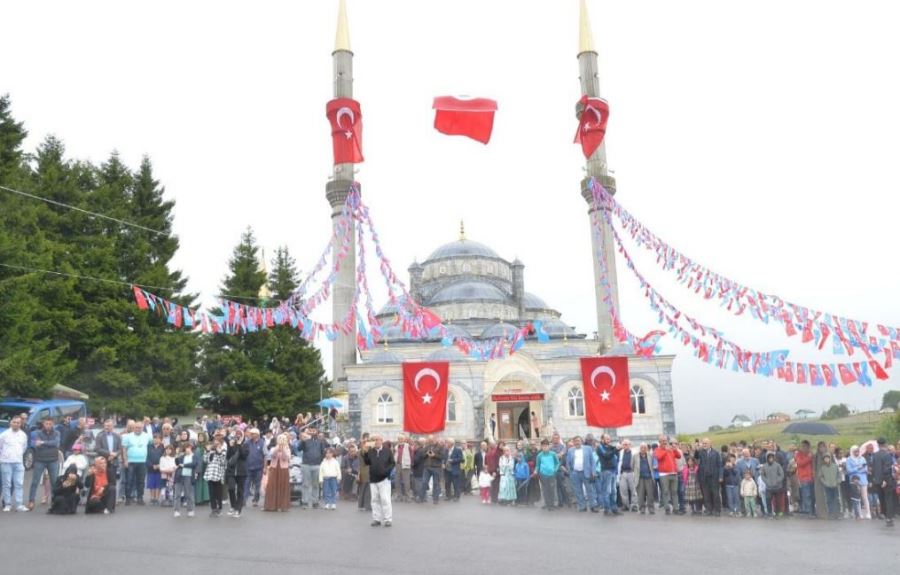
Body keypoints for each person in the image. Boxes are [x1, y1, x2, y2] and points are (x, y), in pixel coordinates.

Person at [28, 418, 61, 511]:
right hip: (40, 459)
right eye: (46, 423)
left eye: (50, 423)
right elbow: (35, 444)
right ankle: (31, 500)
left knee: (54, 482)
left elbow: (56, 443)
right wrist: (42, 443)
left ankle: (54, 500)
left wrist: (43, 442)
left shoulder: (57, 433)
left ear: (53, 424)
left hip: (53, 459)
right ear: (43, 424)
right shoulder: (38, 433)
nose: (48, 425)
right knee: (35, 481)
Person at [363, 434, 395, 526]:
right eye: (374, 440)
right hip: (373, 479)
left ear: (381, 440)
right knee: (374, 500)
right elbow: (367, 462)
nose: (376, 441)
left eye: (377, 439)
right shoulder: (370, 451)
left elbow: (392, 463)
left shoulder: (387, 451)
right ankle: (376, 519)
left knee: (385, 499)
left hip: (384, 479)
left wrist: (386, 472)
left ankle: (388, 519)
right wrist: (365, 453)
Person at [0, 415, 29, 512]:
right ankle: (7, 504)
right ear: (10, 423)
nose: (16, 424)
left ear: (20, 424)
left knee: (19, 484)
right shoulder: (4, 435)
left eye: (18, 422)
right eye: (14, 422)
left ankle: (19, 505)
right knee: (6, 484)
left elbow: (24, 448)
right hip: (6, 462)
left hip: (18, 462)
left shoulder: (23, 435)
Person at [121, 423, 152, 506]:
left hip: (142, 461)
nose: (138, 429)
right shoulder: (127, 436)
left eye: (140, 427)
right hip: (131, 461)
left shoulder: (147, 436)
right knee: (129, 481)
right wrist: (125, 460)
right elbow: (124, 449)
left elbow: (152, 444)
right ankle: (128, 498)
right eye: (136, 427)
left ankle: (140, 498)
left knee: (141, 481)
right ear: (133, 428)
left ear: (143, 428)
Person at [297, 427, 326, 509]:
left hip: (317, 465)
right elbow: (299, 449)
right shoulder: (305, 441)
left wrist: (320, 462)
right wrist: (302, 441)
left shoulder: (321, 442)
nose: (312, 432)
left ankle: (315, 502)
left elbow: (323, 453)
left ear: (317, 432)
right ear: (309, 432)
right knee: (305, 484)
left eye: (314, 430)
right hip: (306, 465)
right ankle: (305, 502)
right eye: (311, 431)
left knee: (316, 485)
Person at [566, 436, 597, 512]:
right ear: (573, 442)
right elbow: (568, 462)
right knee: (578, 490)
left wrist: (593, 472)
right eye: (575, 441)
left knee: (590, 489)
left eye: (578, 440)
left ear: (581, 441)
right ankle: (582, 506)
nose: (577, 442)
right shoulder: (570, 450)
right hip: (575, 473)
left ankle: (593, 506)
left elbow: (592, 461)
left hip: (586, 472)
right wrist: (571, 472)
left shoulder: (588, 449)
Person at [653, 435, 681, 515]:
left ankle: (676, 509)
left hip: (674, 473)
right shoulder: (657, 450)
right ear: (659, 442)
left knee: (674, 492)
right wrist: (665, 450)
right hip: (664, 474)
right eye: (663, 441)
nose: (665, 442)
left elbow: (679, 456)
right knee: (665, 492)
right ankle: (667, 508)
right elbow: (658, 457)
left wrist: (675, 449)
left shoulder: (671, 449)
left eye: (666, 440)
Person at [871, 437, 896, 527]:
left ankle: (885, 516)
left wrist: (874, 479)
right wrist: (885, 480)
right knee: (888, 499)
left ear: (878, 444)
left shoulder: (874, 455)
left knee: (882, 500)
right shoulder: (887, 455)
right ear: (885, 444)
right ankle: (889, 518)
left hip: (877, 481)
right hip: (886, 480)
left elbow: (873, 468)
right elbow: (887, 468)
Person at [264, 433, 291, 512]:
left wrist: (283, 450)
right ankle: (271, 505)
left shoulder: (287, 449)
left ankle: (281, 505)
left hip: (283, 469)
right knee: (272, 485)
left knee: (282, 486)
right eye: (279, 439)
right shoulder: (273, 448)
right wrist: (277, 449)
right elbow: (272, 456)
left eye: (282, 440)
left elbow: (286, 458)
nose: (281, 441)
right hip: (274, 468)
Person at [696, 438, 723, 516]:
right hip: (704, 477)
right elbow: (696, 457)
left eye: (706, 443)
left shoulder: (716, 453)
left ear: (710, 444)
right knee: (706, 494)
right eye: (703, 443)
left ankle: (717, 510)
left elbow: (720, 465)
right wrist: (697, 450)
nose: (704, 445)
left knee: (715, 494)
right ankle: (708, 509)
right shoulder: (700, 453)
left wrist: (720, 476)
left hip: (714, 477)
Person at [596, 434, 621, 516]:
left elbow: (615, 453)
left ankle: (614, 508)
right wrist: (615, 450)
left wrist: (618, 448)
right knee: (607, 491)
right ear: (602, 439)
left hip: (613, 471)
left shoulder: (610, 447)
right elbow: (606, 455)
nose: (608, 440)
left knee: (614, 491)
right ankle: (607, 509)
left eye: (609, 438)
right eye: (606, 439)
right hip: (606, 471)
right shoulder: (600, 447)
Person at [225, 430, 248, 518]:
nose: (238, 437)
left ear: (242, 436)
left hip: (241, 471)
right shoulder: (232, 444)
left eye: (240, 435)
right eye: (236, 435)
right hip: (231, 471)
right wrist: (230, 447)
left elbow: (244, 456)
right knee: (231, 488)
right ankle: (233, 506)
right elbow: (228, 457)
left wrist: (239, 445)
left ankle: (238, 509)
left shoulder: (246, 445)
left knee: (240, 491)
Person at [203, 434, 227, 517]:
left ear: (221, 444)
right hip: (210, 474)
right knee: (211, 493)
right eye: (215, 443)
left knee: (218, 493)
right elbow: (205, 460)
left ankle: (219, 508)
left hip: (218, 475)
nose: (216, 445)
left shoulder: (223, 451)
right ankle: (213, 509)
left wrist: (219, 451)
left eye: (218, 444)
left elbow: (223, 462)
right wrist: (207, 451)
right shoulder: (210, 451)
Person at [845, 445, 871, 519]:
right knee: (857, 497)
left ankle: (868, 513)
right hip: (854, 481)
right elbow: (849, 470)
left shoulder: (862, 458)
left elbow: (865, 469)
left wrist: (856, 469)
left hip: (863, 480)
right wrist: (858, 468)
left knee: (865, 497)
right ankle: (859, 514)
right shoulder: (849, 459)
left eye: (858, 451)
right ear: (852, 452)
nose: (857, 453)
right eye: (855, 451)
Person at [173, 443, 198, 518]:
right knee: (177, 494)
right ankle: (177, 511)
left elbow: (194, 464)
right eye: (186, 448)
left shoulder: (194, 456)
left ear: (191, 448)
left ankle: (190, 510)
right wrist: (177, 455)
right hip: (179, 476)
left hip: (189, 476)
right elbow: (177, 463)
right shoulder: (182, 456)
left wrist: (184, 465)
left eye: (189, 447)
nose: (187, 449)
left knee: (189, 494)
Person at [534, 439, 559, 510]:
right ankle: (547, 504)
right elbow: (537, 465)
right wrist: (536, 471)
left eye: (546, 446)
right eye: (543, 446)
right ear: (541, 447)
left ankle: (552, 504)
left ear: (549, 446)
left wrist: (555, 470)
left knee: (552, 490)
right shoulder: (539, 455)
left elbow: (557, 463)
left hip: (552, 474)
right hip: (543, 475)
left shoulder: (553, 454)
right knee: (545, 490)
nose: (545, 447)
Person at [421, 435, 445, 504]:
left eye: (432, 440)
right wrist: (426, 454)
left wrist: (435, 455)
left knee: (436, 484)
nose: (430, 441)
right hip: (427, 467)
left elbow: (443, 456)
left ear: (435, 439)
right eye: (429, 440)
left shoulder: (440, 447)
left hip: (436, 467)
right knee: (424, 482)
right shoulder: (427, 446)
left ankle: (435, 499)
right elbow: (422, 455)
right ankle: (422, 497)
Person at [761, 452, 786, 518]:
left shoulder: (778, 465)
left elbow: (781, 474)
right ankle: (769, 513)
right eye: (769, 457)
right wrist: (766, 481)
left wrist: (777, 481)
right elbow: (762, 475)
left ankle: (778, 513)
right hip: (769, 487)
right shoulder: (764, 466)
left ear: (774, 458)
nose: (771, 459)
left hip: (777, 487)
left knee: (778, 501)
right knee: (768, 500)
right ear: (767, 458)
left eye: (772, 457)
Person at [617, 439, 637, 512]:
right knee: (623, 490)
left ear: (630, 445)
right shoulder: (620, 453)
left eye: (627, 444)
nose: (625, 446)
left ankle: (634, 505)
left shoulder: (634, 452)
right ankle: (625, 505)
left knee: (633, 490)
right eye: (624, 444)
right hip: (623, 473)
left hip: (632, 472)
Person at [636, 443, 656, 514]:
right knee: (640, 495)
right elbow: (632, 466)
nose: (643, 449)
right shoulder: (635, 456)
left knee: (650, 494)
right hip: (640, 478)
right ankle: (642, 508)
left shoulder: (650, 455)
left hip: (649, 477)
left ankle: (651, 508)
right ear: (640, 448)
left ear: (647, 448)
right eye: (642, 447)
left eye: (644, 447)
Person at [146, 434, 165, 506]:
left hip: (159, 468)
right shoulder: (149, 447)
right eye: (155, 438)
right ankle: (152, 498)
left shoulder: (163, 447)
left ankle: (157, 498)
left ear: (160, 440)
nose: (156, 440)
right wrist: (151, 465)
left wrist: (159, 465)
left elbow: (164, 457)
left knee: (158, 484)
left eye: (158, 438)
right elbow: (147, 457)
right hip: (151, 468)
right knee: (151, 484)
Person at [394, 434, 413, 502]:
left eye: (401, 439)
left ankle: (408, 496)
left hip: (406, 465)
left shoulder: (408, 446)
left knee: (406, 482)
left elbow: (411, 455)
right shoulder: (396, 446)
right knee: (397, 481)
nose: (400, 440)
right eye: (399, 439)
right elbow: (395, 455)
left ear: (404, 439)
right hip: (398, 465)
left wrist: (410, 464)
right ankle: (399, 496)